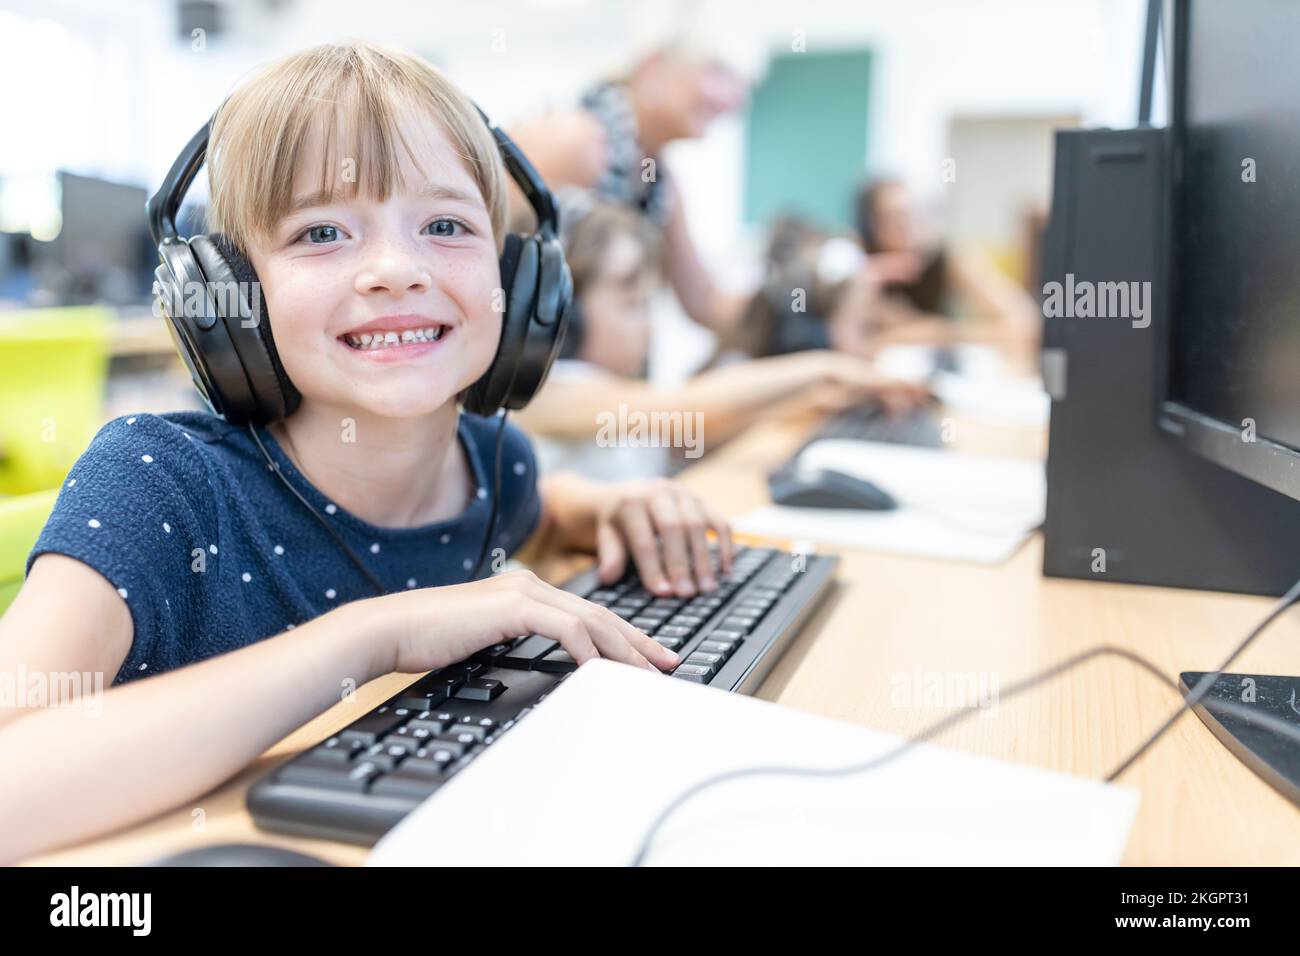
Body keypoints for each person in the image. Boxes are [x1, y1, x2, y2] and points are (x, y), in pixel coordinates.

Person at [0, 42, 737, 864]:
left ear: (519, 279)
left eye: (446, 225)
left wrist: (606, 505)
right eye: (322, 232)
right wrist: (372, 636)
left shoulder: (492, 466)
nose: (395, 268)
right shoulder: (162, 486)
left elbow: (548, 504)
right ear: (226, 295)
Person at [515, 195, 929, 480]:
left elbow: (692, 436)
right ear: (558, 311)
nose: (648, 326)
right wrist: (830, 369)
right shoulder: (547, 395)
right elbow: (691, 411)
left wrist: (814, 399)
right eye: (631, 303)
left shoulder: (615, 396)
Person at [506, 27, 761, 337]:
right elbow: (498, 253)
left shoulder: (659, 183)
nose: (731, 97)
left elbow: (704, 303)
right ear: (653, 68)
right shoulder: (579, 140)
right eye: (717, 72)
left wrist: (795, 302)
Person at [853, 177, 1040, 359]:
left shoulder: (951, 258)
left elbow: (1024, 324)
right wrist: (869, 282)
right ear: (871, 230)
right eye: (892, 218)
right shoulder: (863, 272)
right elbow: (860, 348)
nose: (908, 227)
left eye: (913, 213)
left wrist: (939, 333)